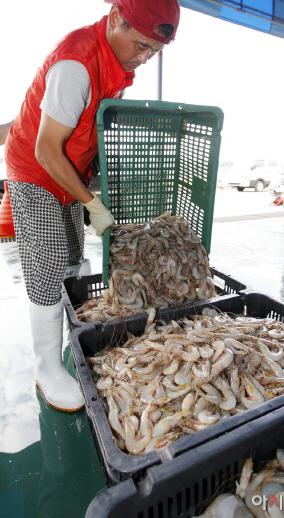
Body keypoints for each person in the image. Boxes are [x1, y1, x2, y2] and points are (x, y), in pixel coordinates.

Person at [4, 0, 180, 412]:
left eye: (154, 52)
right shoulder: (76, 64)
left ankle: (70, 334)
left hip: (69, 168)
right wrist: (93, 205)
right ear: (115, 18)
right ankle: (46, 366)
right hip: (35, 167)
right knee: (47, 260)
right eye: (141, 46)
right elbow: (47, 150)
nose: (145, 58)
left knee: (72, 254)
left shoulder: (116, 61)